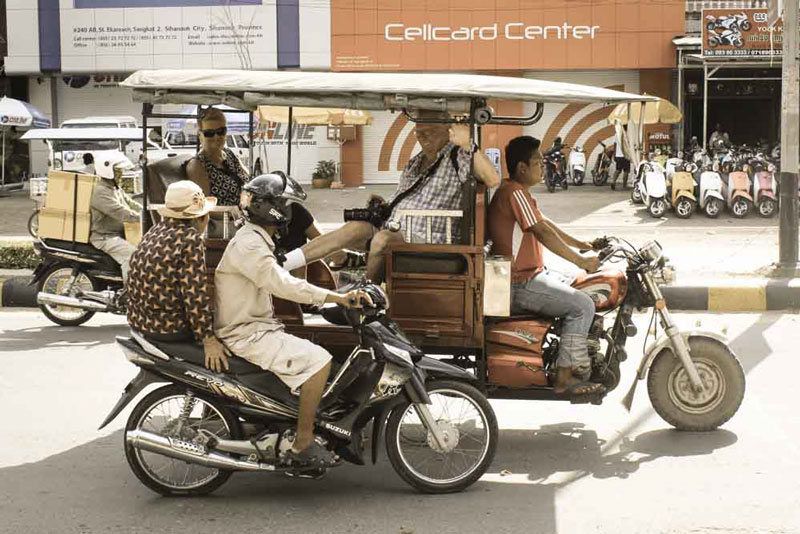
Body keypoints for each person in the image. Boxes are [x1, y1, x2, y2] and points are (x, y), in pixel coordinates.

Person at [214, 173, 371, 464]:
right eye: (287, 206)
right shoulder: (250, 245)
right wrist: (335, 297)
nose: (290, 212)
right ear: (273, 208)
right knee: (319, 362)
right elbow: (283, 284)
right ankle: (302, 440)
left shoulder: (255, 238)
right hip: (247, 333)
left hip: (256, 326)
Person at [280, 110, 501, 282]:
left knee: (382, 240)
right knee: (353, 228)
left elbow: (493, 180)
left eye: (429, 132)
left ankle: (367, 297)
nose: (422, 137)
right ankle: (282, 264)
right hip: (398, 226)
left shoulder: (459, 155)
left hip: (430, 235)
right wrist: (384, 205)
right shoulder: (416, 161)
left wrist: (468, 144)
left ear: (448, 131)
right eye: (419, 133)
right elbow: (406, 197)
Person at [488, 136, 603, 400]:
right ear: (522, 168)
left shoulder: (515, 191)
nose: (543, 167)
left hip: (528, 277)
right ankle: (565, 376)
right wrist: (581, 260)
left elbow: (545, 223)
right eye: (538, 163)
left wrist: (582, 244)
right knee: (583, 306)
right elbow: (542, 232)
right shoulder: (514, 193)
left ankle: (575, 352)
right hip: (520, 283)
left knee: (581, 285)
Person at [126, 181, 227, 370]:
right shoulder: (190, 239)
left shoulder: (154, 231)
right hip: (169, 328)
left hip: (140, 321)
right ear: (200, 218)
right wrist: (208, 340)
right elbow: (194, 295)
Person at [88, 158, 141, 280]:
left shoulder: (115, 188)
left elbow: (131, 203)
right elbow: (120, 212)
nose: (121, 174)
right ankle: (130, 293)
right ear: (107, 171)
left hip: (119, 234)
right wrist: (141, 218)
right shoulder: (100, 192)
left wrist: (148, 211)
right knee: (133, 256)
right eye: (118, 171)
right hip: (105, 237)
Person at [185, 107, 249, 206]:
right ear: (200, 135)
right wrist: (237, 214)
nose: (216, 137)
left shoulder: (229, 154)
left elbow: (248, 179)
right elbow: (203, 207)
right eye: (209, 133)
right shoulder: (198, 165)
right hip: (226, 218)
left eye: (221, 131)